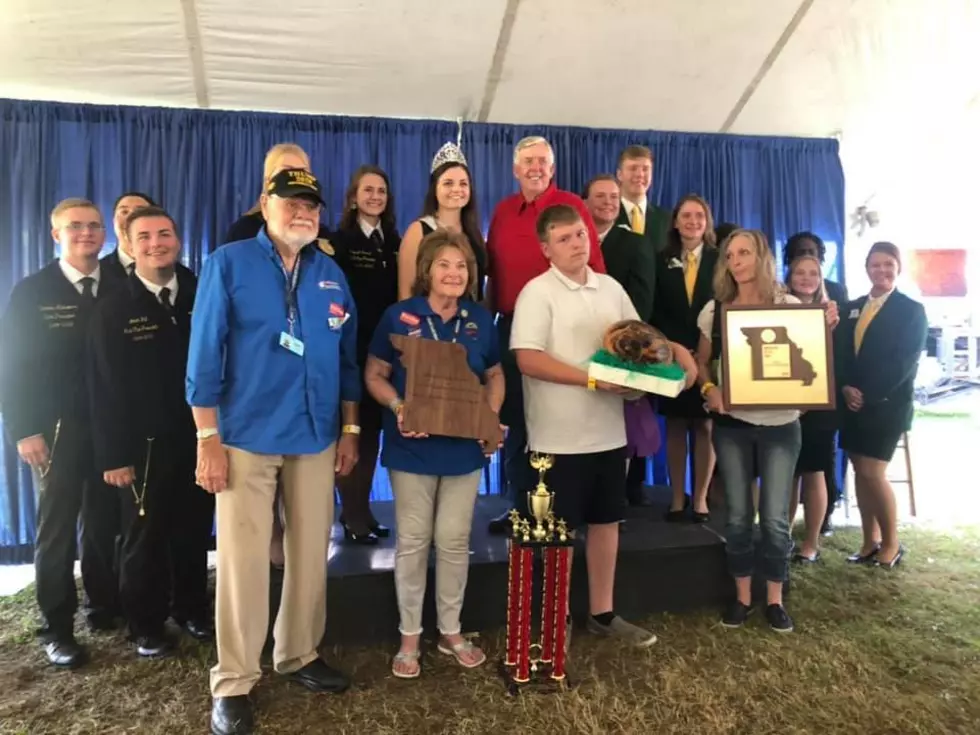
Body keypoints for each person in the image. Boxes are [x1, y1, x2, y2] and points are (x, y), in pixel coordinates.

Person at [188, 169, 360, 735]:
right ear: (266, 205)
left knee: (313, 551)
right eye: (292, 202)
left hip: (315, 435)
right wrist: (206, 439)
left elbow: (348, 362)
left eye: (312, 204)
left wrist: (352, 429)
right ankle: (235, 679)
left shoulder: (331, 274)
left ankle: (299, 653)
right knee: (243, 561)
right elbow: (204, 358)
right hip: (245, 437)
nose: (303, 212)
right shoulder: (228, 263)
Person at [511, 204, 697, 646]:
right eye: (564, 239)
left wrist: (677, 355)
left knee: (606, 522)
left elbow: (639, 340)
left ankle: (603, 614)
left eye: (580, 235)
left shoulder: (611, 287)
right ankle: (550, 624)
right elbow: (527, 359)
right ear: (545, 249)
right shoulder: (536, 293)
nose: (576, 244)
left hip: (610, 433)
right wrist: (593, 378)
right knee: (555, 534)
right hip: (557, 437)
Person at [365, 230, 504, 678]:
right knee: (412, 541)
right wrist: (399, 406)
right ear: (427, 270)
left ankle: (450, 630)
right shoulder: (398, 316)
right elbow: (374, 374)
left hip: (463, 452)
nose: (454, 273)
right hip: (412, 449)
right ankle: (409, 635)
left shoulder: (481, 319)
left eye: (462, 266)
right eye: (445, 264)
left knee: (454, 540)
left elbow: (496, 375)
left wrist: (488, 415)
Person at [87, 206, 214, 657]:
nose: (156, 243)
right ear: (128, 244)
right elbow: (101, 387)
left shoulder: (202, 292)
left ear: (178, 239)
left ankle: (192, 608)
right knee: (144, 535)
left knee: (194, 528)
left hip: (198, 437)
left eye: (164, 234)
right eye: (144, 237)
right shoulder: (114, 306)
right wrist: (112, 456)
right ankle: (145, 623)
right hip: (140, 446)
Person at [696, 229, 837, 633]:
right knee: (739, 517)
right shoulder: (715, 310)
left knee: (776, 519)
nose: (736, 260)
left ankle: (774, 598)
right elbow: (702, 363)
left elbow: (812, 359)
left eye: (745, 252)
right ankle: (742, 597)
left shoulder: (791, 306)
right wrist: (709, 389)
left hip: (781, 426)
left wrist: (825, 326)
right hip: (732, 426)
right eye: (729, 254)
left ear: (761, 257)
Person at [0, 198, 121, 667]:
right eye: (76, 227)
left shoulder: (118, 284)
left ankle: (104, 606)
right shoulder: (32, 291)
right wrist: (24, 429)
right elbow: (11, 368)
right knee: (56, 532)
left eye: (94, 226)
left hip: (109, 429)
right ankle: (57, 627)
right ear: (56, 235)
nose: (87, 234)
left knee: (103, 525)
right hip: (53, 432)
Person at [486, 136, 606, 534]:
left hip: (565, 329)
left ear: (552, 169)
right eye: (528, 162)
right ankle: (520, 505)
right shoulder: (503, 211)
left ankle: (564, 506)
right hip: (511, 327)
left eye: (543, 161)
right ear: (515, 169)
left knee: (560, 415)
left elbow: (597, 271)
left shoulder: (571, 207)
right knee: (517, 421)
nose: (536, 167)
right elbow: (493, 273)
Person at [837, 241, 927, 569]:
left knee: (874, 473)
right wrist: (846, 387)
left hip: (886, 405)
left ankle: (892, 543)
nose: (882, 270)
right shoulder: (853, 307)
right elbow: (842, 353)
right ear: (867, 269)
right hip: (852, 404)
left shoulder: (911, 310)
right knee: (859, 473)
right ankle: (868, 542)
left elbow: (904, 363)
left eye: (888, 264)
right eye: (876, 265)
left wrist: (868, 394)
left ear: (898, 267)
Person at [331, 165, 400, 544]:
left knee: (372, 434)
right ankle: (351, 514)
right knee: (351, 433)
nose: (375, 197)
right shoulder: (338, 241)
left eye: (381, 191)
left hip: (386, 352)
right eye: (368, 190)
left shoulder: (394, 241)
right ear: (353, 196)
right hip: (350, 349)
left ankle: (365, 510)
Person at [651, 195, 719, 522]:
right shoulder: (660, 259)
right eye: (686, 216)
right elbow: (654, 309)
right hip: (671, 356)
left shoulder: (721, 260)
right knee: (676, 427)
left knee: (705, 428)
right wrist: (672, 348)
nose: (693, 222)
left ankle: (701, 499)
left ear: (707, 222)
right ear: (675, 222)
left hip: (709, 356)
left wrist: (704, 351)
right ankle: (678, 498)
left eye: (699, 216)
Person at [783, 231, 848, 533]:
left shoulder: (834, 309)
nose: (806, 278)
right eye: (800, 272)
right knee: (788, 474)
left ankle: (811, 543)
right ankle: (783, 538)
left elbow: (841, 357)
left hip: (820, 403)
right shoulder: (776, 304)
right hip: (785, 403)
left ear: (822, 276)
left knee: (815, 472)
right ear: (790, 273)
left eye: (813, 273)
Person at [397, 142, 488, 302]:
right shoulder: (418, 231)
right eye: (448, 183)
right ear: (435, 188)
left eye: (463, 184)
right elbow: (405, 293)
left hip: (470, 322)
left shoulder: (474, 232)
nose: (456, 189)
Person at [222, 142, 333, 245]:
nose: (294, 176)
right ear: (268, 180)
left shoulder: (320, 234)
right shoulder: (244, 230)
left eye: (302, 171)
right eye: (285, 171)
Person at [614, 145, 671, 253]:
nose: (640, 174)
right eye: (633, 168)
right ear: (619, 174)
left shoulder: (666, 220)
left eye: (645, 169)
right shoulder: (608, 216)